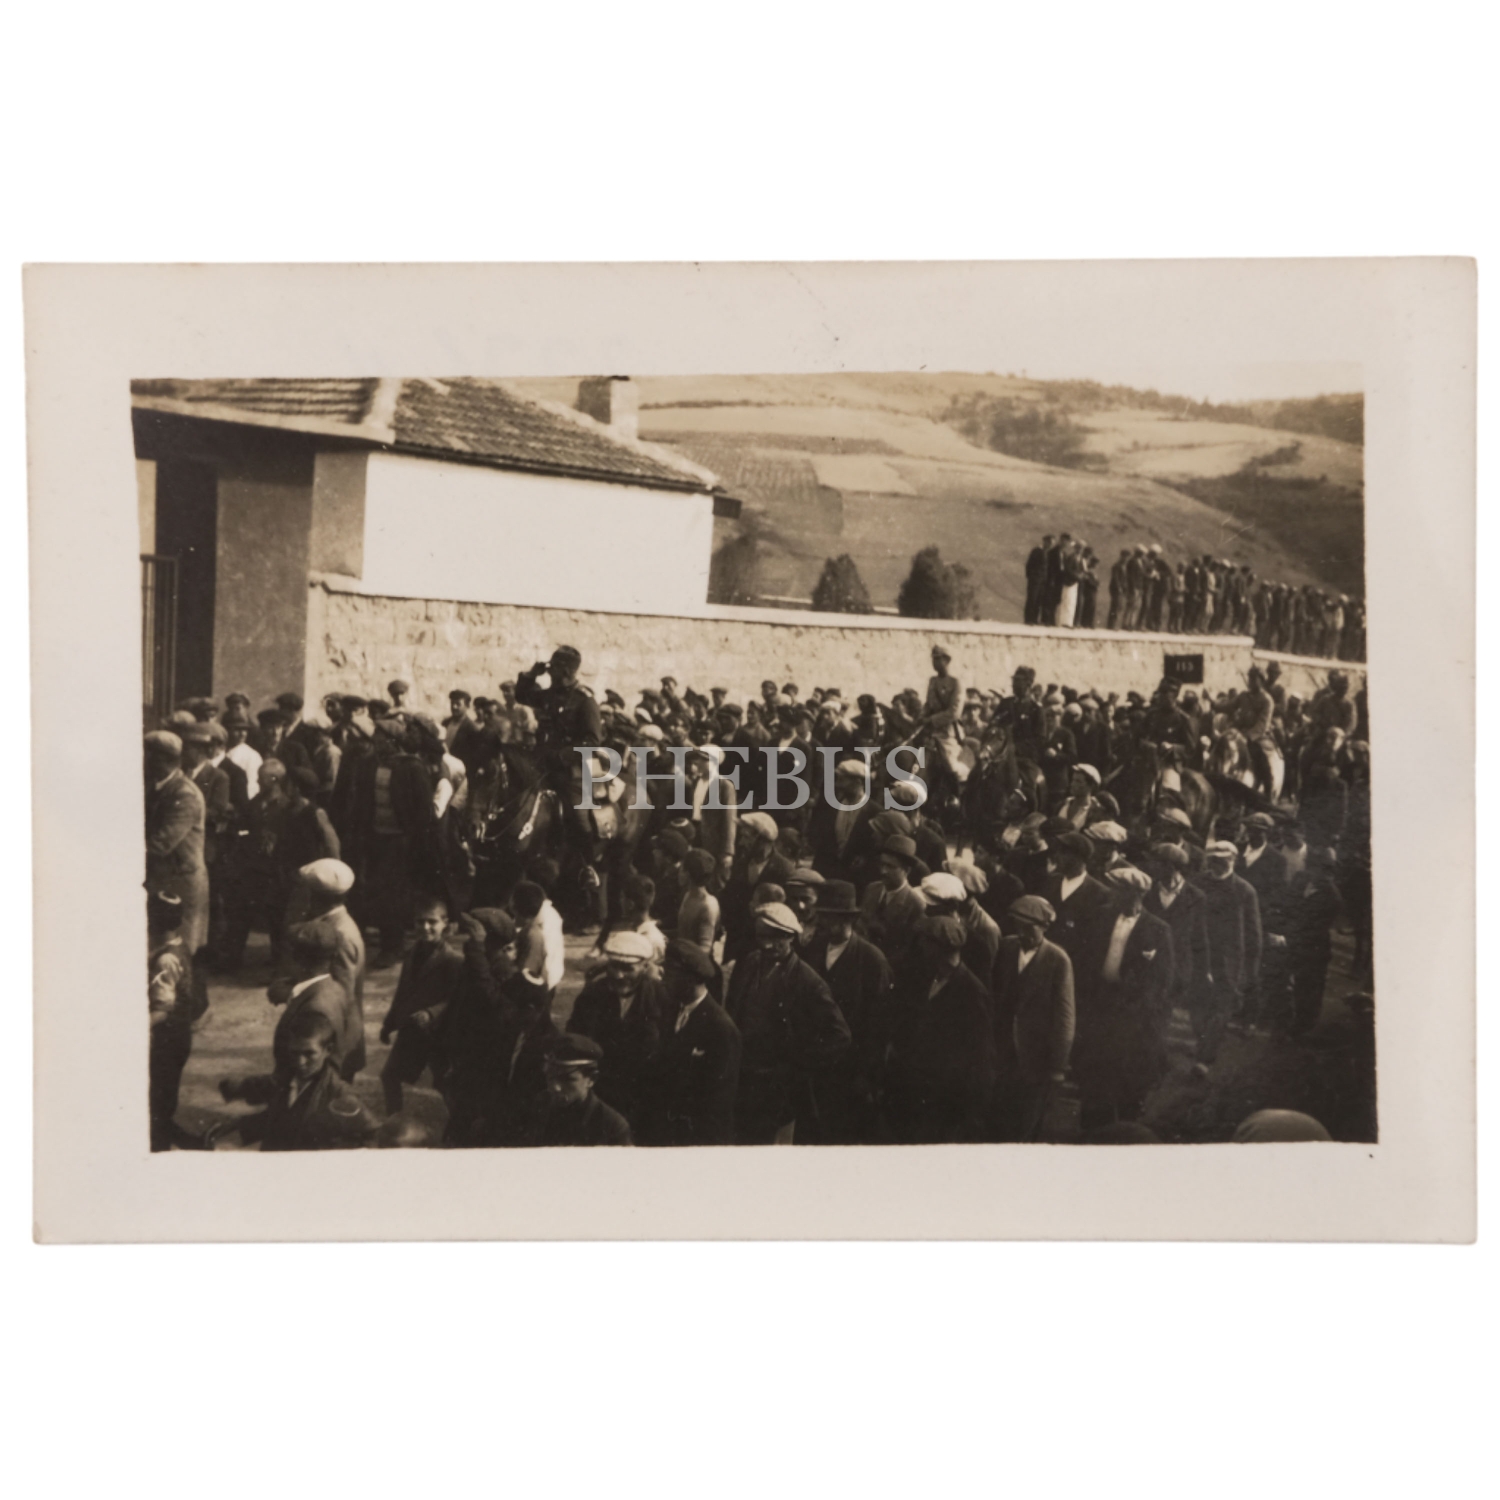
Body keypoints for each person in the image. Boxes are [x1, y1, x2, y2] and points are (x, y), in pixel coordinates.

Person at [725, 903, 852, 1144]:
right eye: (761, 937)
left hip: (779, 1089)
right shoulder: (752, 963)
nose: (766, 945)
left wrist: (797, 1065)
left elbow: (840, 1036)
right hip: (745, 1079)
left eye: (775, 938)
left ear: (791, 937)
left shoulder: (808, 982)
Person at [1069, 867, 1174, 1131]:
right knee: (1094, 1070)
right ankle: (1091, 1129)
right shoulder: (1101, 916)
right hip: (1099, 1004)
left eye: (1116, 890)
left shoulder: (1158, 929)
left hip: (1132, 1013)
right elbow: (1085, 959)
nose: (1111, 894)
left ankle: (1124, 1126)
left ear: (1134, 894)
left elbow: (1162, 980)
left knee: (1125, 1072)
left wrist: (1142, 1010)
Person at [885, 913, 995, 1144]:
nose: (921, 949)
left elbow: (980, 1055)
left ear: (938, 949)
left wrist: (970, 1112)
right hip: (923, 1089)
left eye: (926, 943)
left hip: (948, 1098)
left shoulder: (972, 992)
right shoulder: (932, 977)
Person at [801, 879, 893, 1142]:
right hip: (815, 1065)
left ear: (848, 920)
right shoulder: (813, 950)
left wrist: (867, 1075)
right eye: (822, 916)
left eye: (832, 917)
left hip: (850, 1070)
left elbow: (879, 1025)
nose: (824, 923)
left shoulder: (872, 960)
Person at [213, 1008, 378, 1151]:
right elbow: (277, 1117)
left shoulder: (340, 1094)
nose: (300, 1062)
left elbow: (373, 1135)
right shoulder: (284, 1081)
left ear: (328, 1050)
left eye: (309, 1053)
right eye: (294, 1053)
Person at [639, 939, 742, 1146]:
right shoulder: (673, 1009)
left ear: (691, 979)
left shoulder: (721, 1028)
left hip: (699, 1137)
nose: (664, 977)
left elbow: (719, 1100)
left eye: (671, 973)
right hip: (670, 1130)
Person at [990, 895, 1075, 1142]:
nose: (1023, 934)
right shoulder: (1006, 948)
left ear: (1045, 927)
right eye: (1019, 927)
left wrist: (1058, 1066)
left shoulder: (1058, 960)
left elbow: (1064, 1017)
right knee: (1000, 1115)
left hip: (1036, 1056)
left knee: (1028, 1120)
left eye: (1030, 928)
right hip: (1004, 1050)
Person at [567, 929, 666, 1127]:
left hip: (644, 1099)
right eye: (614, 966)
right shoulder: (591, 996)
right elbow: (576, 1041)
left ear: (645, 966)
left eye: (628, 968)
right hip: (601, 1097)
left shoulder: (660, 997)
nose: (619, 975)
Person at [145, 730, 211, 1022]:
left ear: (161, 759)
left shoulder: (184, 794)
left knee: (183, 949)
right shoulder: (158, 787)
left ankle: (189, 1012)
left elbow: (162, 843)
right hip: (166, 880)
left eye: (148, 756)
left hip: (182, 884)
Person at [378, 894, 463, 1115]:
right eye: (420, 921)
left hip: (438, 1034)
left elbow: (456, 997)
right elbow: (403, 992)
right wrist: (389, 1024)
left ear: (445, 923)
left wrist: (431, 1013)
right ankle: (394, 1121)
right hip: (412, 1029)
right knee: (389, 1076)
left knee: (444, 1082)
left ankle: (461, 1121)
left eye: (432, 922)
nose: (425, 927)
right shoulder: (412, 953)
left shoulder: (453, 960)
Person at [1193, 839, 1262, 1070]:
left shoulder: (1245, 891)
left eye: (1224, 860)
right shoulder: (1197, 883)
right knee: (1198, 1005)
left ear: (1233, 860)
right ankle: (1203, 1040)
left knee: (1222, 1007)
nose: (1218, 864)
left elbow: (1253, 933)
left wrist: (1251, 970)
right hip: (1200, 954)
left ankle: (1205, 1058)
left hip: (1229, 959)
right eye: (1214, 860)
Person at [147, 890, 206, 1151]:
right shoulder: (179, 946)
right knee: (161, 1102)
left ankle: (167, 1149)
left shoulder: (166, 959)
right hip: (178, 1035)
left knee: (157, 1104)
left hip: (167, 1038)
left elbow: (163, 1008)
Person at [531, 1034, 634, 1146]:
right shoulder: (539, 1107)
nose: (556, 1087)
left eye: (567, 1079)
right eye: (550, 1077)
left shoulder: (612, 1126)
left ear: (591, 1080)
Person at [860, 835, 927, 966]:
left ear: (906, 870)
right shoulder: (872, 889)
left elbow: (907, 950)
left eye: (891, 866)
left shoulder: (915, 904)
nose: (883, 871)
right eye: (882, 864)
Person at [1025, 535, 1052, 625]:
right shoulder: (1037, 551)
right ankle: (1028, 619)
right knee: (1032, 598)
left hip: (1042, 581)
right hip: (1035, 579)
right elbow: (1029, 565)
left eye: (1052, 543)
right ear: (1045, 541)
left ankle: (1034, 619)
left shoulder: (1047, 553)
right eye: (1049, 543)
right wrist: (1032, 576)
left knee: (1038, 600)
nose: (1050, 545)